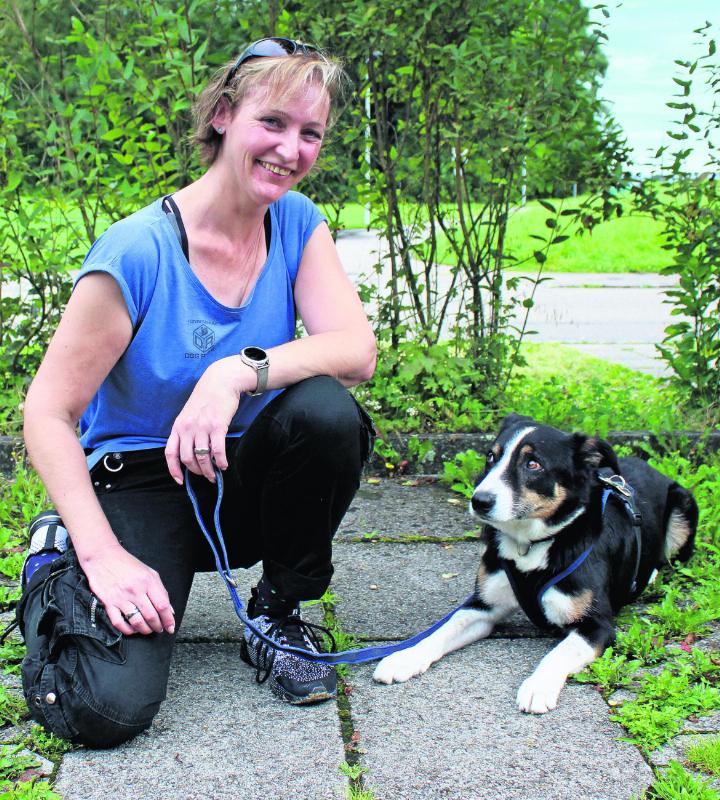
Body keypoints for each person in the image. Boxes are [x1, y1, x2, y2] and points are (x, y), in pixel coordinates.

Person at [17, 37, 376, 748]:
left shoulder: (298, 223)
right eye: (273, 122)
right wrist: (104, 556)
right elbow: (47, 412)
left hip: (241, 477)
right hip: (143, 481)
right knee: (105, 709)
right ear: (221, 115)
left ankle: (277, 614)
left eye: (311, 133)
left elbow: (355, 351)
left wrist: (234, 370)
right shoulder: (137, 250)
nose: (290, 149)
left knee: (328, 414)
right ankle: (56, 556)